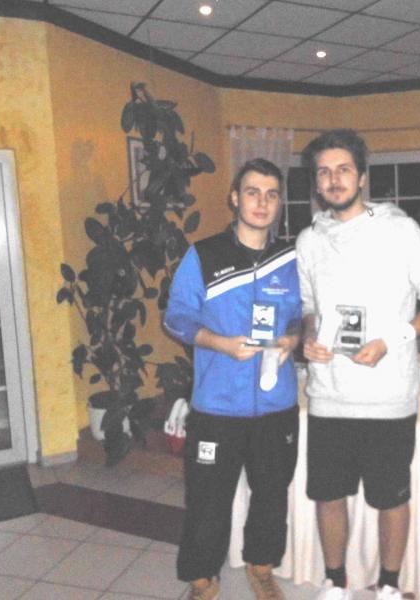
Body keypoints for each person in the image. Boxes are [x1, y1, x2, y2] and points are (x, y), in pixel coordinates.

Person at [296, 130, 420, 600]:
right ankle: (335, 582)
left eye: (344, 169)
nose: (334, 179)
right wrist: (309, 336)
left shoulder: (399, 230)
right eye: (324, 172)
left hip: (388, 397)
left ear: (362, 177)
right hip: (328, 395)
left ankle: (388, 586)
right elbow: (308, 306)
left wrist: (392, 340)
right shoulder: (308, 240)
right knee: (328, 495)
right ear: (316, 182)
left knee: (391, 498)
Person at [164, 158, 302, 600]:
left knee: (271, 496)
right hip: (217, 406)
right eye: (253, 192)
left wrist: (294, 338)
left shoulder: (291, 258)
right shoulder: (204, 255)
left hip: (276, 404)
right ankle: (203, 579)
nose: (262, 202)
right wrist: (220, 344)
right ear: (235, 198)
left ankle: (261, 568)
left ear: (279, 202)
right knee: (208, 500)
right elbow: (176, 318)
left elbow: (302, 315)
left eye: (271, 194)